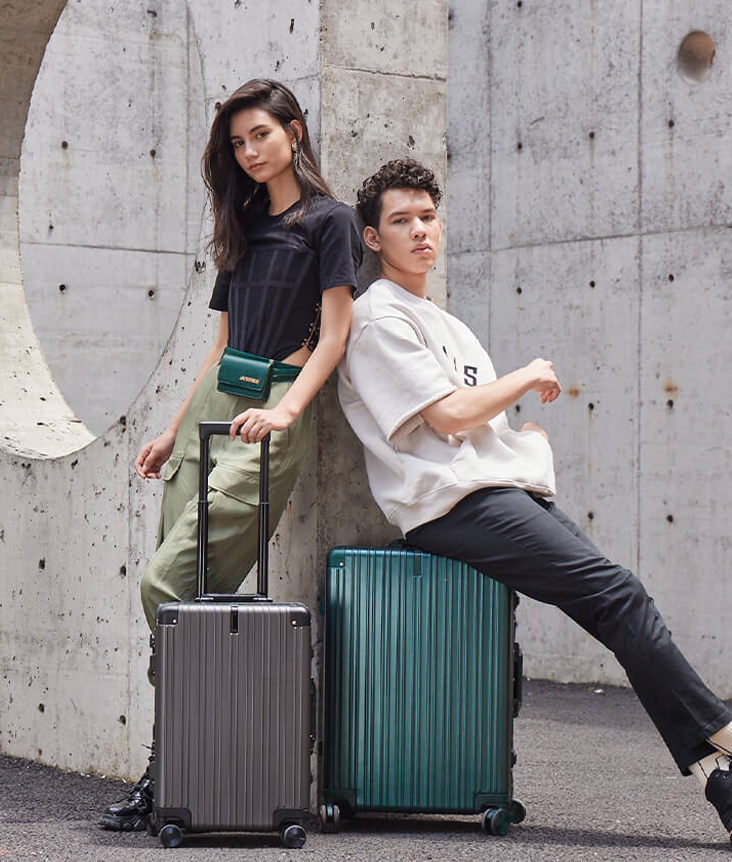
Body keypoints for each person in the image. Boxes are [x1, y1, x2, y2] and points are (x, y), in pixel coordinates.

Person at [337, 158, 732, 843]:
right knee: (620, 595)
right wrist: (526, 376)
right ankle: (725, 737)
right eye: (401, 221)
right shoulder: (378, 318)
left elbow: (470, 423)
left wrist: (520, 440)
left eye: (427, 216)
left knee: (617, 604)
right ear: (373, 238)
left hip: (498, 490)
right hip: (454, 506)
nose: (420, 230)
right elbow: (449, 416)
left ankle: (719, 781)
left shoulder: (445, 322)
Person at [99, 79, 361, 832]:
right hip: (214, 406)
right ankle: (173, 768)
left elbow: (335, 335)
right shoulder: (241, 222)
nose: (249, 152)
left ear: (295, 132)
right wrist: (171, 428)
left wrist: (286, 410)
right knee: (186, 606)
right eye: (238, 143)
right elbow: (218, 347)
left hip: (270, 411)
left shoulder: (331, 221)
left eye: (261, 136)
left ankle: (193, 748)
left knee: (170, 585)